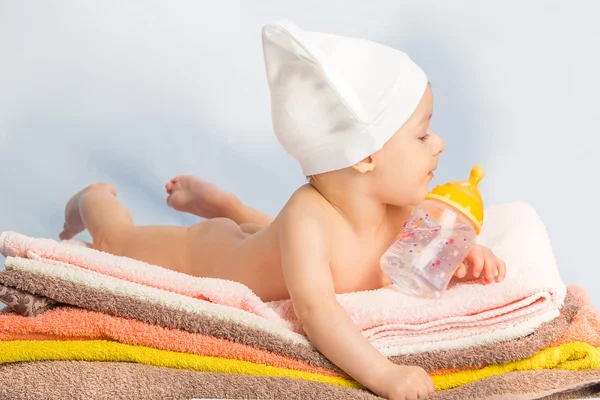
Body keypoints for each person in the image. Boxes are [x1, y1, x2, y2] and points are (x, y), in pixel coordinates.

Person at [58, 21, 506, 400]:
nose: (440, 143)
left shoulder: (402, 208)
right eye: (423, 135)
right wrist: (386, 374)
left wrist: (467, 254)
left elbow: (427, 253)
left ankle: (225, 204)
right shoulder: (307, 217)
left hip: (268, 244)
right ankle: (92, 198)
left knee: (272, 241)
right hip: (211, 255)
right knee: (116, 244)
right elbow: (317, 312)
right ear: (364, 156)